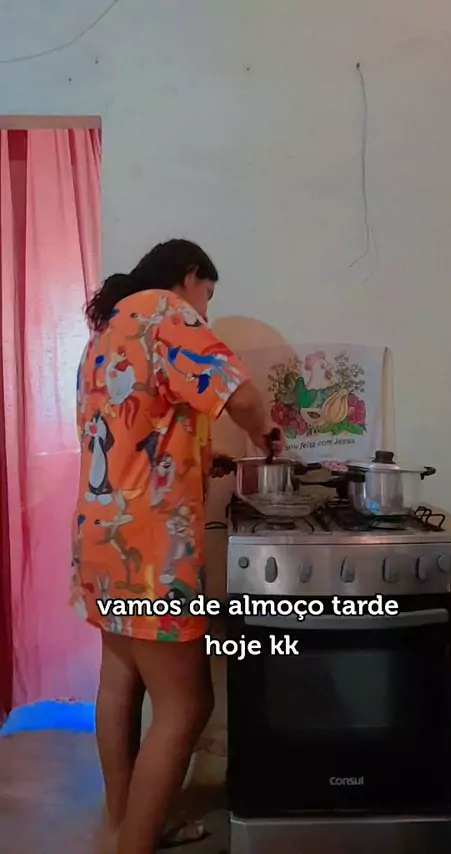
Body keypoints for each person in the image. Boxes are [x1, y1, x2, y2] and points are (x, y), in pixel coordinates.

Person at [70, 239, 283, 854]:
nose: (205, 311)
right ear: (190, 276)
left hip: (103, 540)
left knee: (119, 683)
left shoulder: (107, 331)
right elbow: (240, 396)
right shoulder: (167, 311)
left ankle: (124, 825)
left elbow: (132, 432)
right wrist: (265, 433)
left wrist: (200, 458)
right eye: (207, 295)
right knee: (187, 704)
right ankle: (134, 843)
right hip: (152, 555)